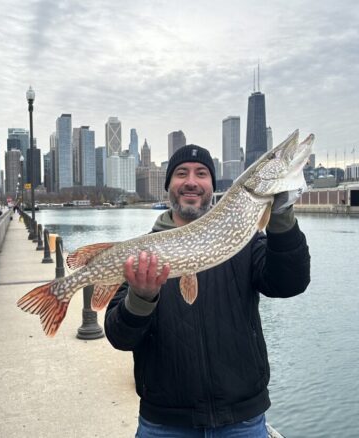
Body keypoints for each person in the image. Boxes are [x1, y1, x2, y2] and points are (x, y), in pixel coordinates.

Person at [105, 144, 311, 437]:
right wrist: (140, 298)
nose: (191, 181)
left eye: (201, 173)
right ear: (169, 187)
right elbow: (119, 336)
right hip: (164, 424)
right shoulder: (144, 254)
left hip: (243, 420)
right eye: (181, 173)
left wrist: (281, 216)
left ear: (212, 186)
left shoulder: (247, 241)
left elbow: (290, 283)